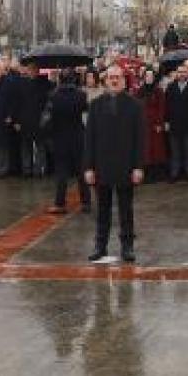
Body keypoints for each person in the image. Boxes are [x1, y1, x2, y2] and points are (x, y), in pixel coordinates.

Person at [83, 65, 147, 262]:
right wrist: (88, 167)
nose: (114, 80)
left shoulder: (135, 105)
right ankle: (100, 246)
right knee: (102, 210)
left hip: (126, 166)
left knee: (126, 210)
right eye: (111, 77)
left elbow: (140, 139)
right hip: (101, 165)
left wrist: (138, 167)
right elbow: (89, 138)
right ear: (105, 80)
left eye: (118, 77)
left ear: (124, 81)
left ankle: (127, 247)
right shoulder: (95, 105)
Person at [47, 68, 92, 215]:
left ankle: (60, 204)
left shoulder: (53, 96)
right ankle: (86, 202)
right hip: (78, 137)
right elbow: (86, 111)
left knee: (61, 173)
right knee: (81, 171)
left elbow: (49, 119)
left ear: (60, 79)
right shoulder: (81, 95)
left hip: (60, 138)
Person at [164, 60, 188, 183]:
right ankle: (174, 173)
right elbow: (166, 106)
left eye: (184, 72)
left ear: (187, 73)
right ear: (176, 73)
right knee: (175, 152)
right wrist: (166, 121)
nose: (181, 74)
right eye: (179, 72)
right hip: (174, 124)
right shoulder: (171, 87)